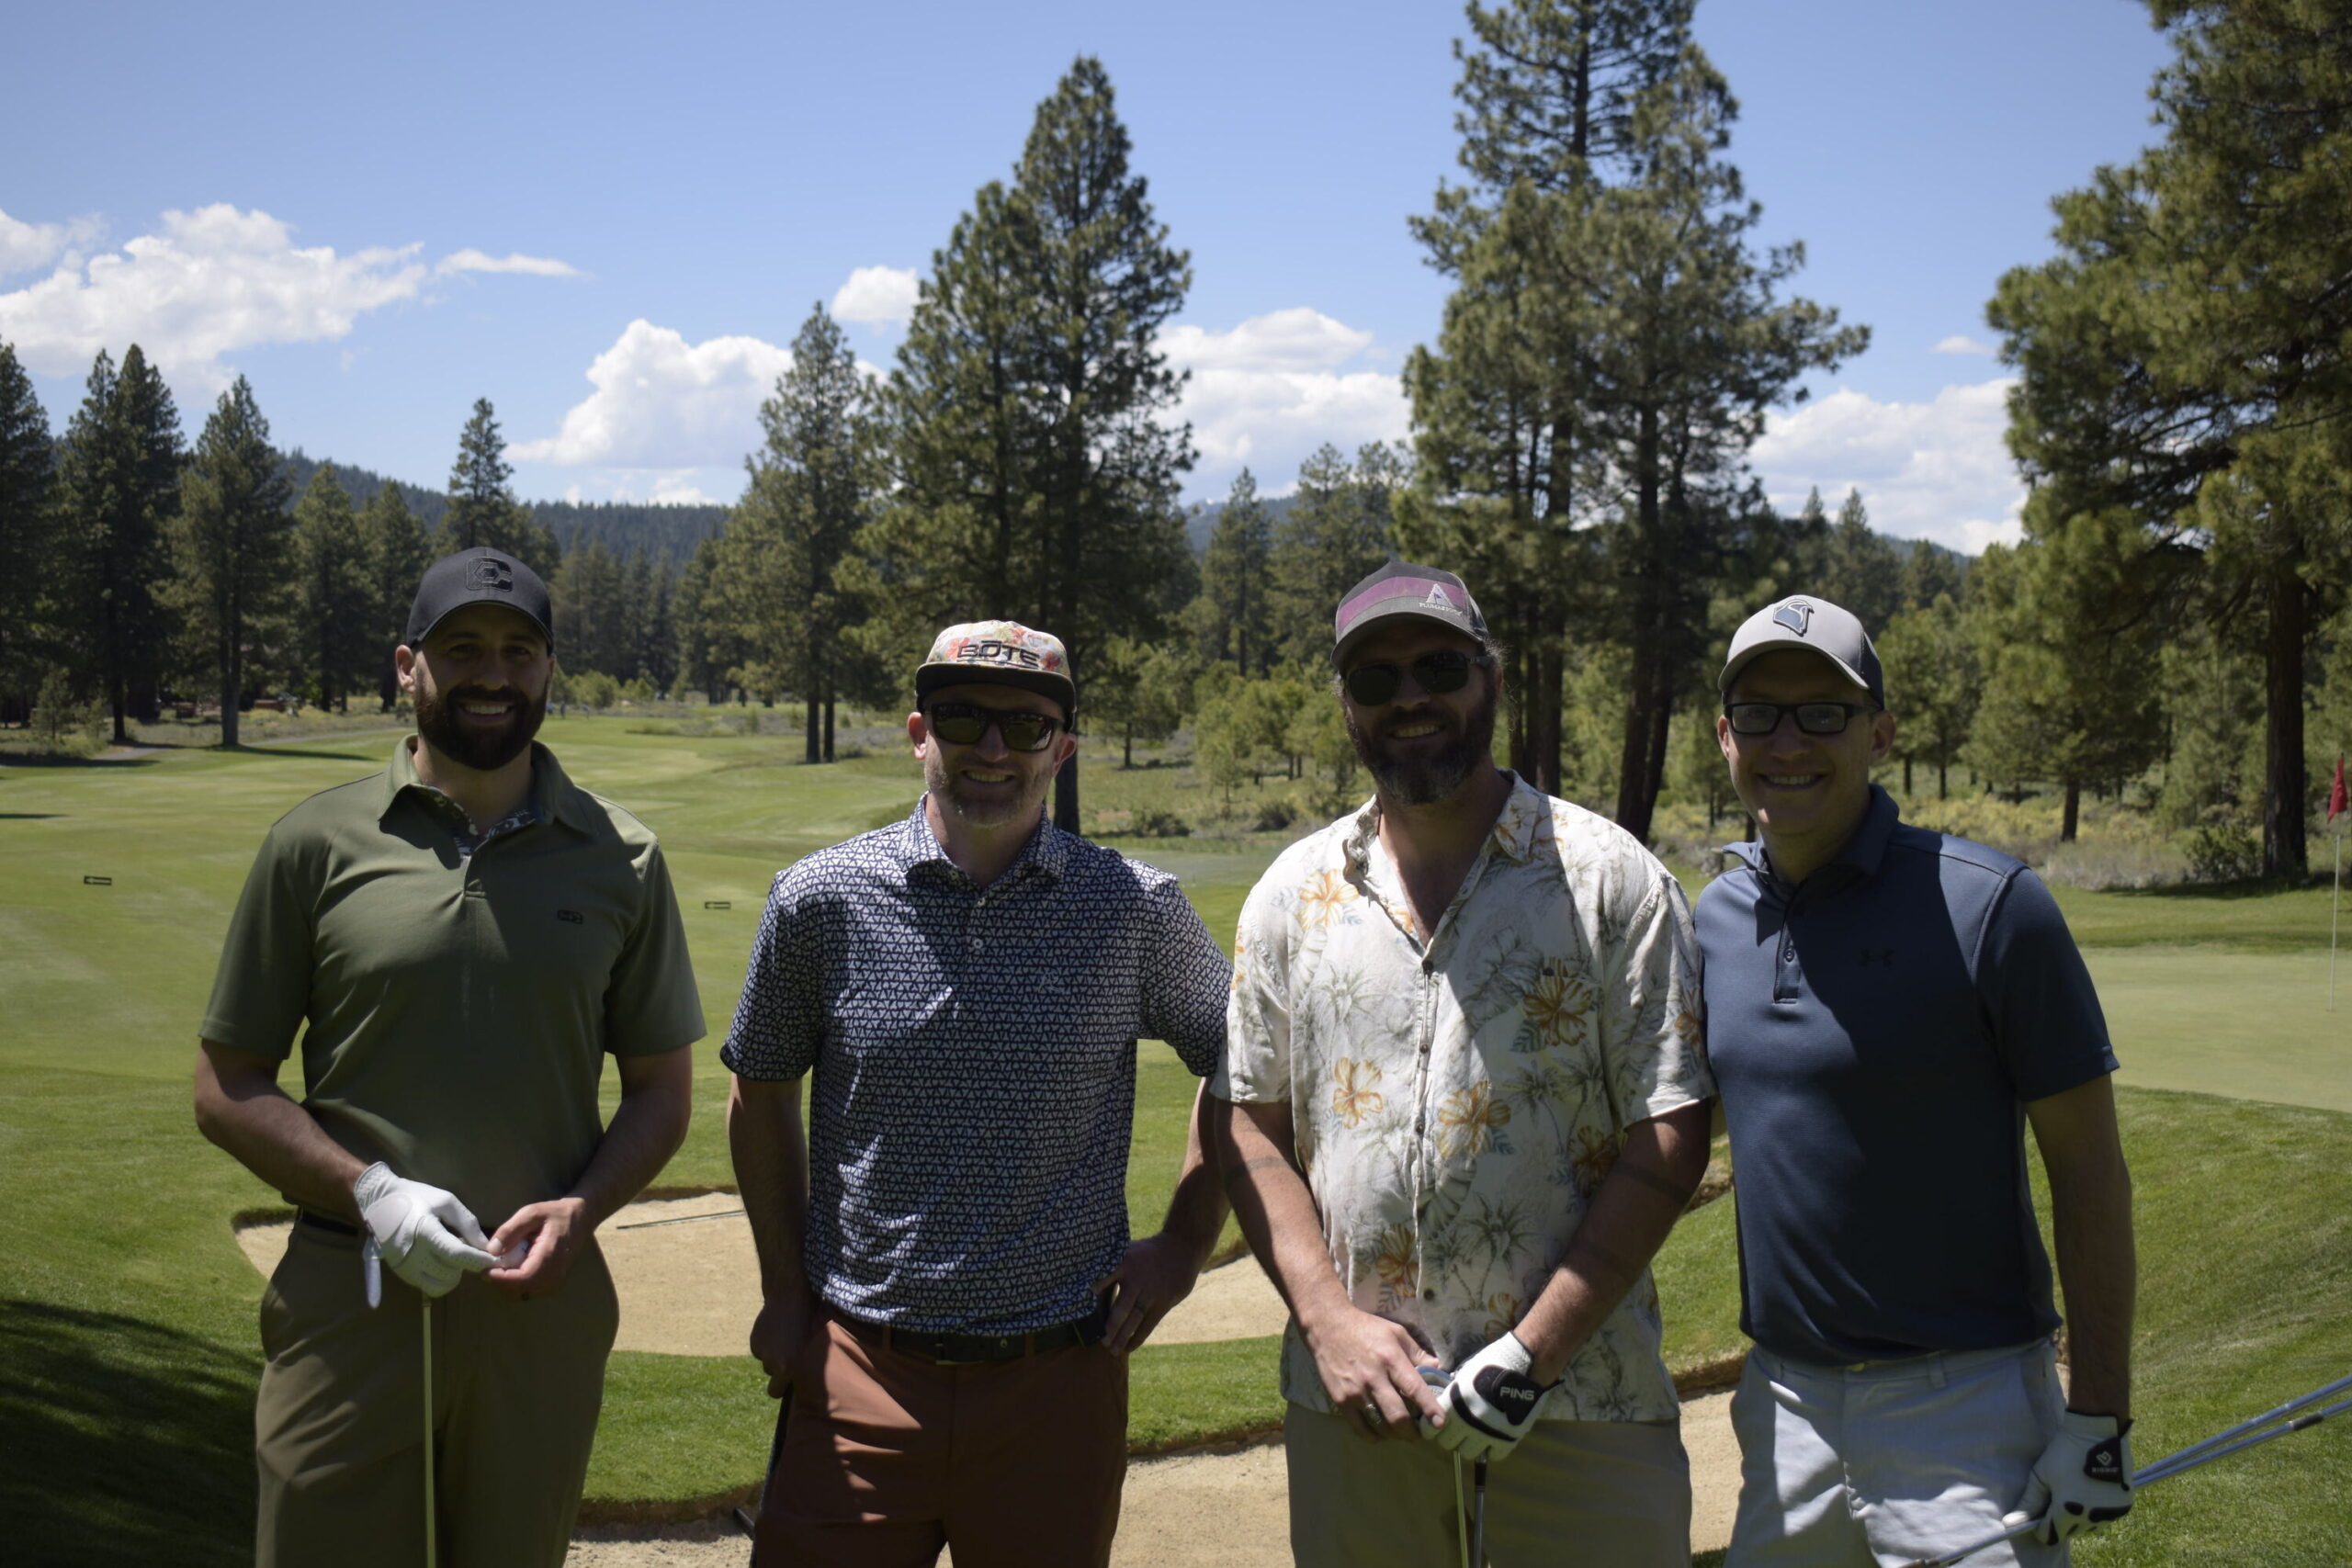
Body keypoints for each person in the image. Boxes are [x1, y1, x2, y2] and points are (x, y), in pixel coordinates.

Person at [193, 546, 706, 1568]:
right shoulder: (317, 843)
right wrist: (371, 1190)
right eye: (462, 646)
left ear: (549, 669)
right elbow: (227, 1084)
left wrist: (583, 1208)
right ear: (407, 666)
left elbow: (660, 1093)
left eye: (519, 649)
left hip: (540, 1306)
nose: (492, 672)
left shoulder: (623, 856)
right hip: (351, 1294)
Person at [1215, 561, 1716, 1568]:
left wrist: (1533, 1356)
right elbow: (1246, 1120)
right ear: (1346, 705)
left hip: (1583, 1407)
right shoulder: (1290, 895)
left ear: (1491, 679)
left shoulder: (1609, 879)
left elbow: (1669, 1137)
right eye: (1375, 678)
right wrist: (1325, 1322)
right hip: (1357, 1407)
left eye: (1438, 666)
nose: (1409, 697)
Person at [722, 619, 1232, 1567]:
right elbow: (759, 1091)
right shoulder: (820, 900)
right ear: (920, 732)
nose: (992, 749)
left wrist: (1187, 1244)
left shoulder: (1133, 909)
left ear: (1063, 748)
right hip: (858, 1373)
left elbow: (1247, 1065)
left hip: (1058, 1380)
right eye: (962, 718)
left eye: (1026, 725)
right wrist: (782, 1290)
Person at [1698, 593, 2137, 1567]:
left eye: (1824, 712)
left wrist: (2098, 1411)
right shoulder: (1713, 921)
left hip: (1966, 1410)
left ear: (1880, 734)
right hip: (1781, 1410)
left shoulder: (1994, 908)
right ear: (1724, 736)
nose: (1788, 740)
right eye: (1760, 712)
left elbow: (2090, 1171)